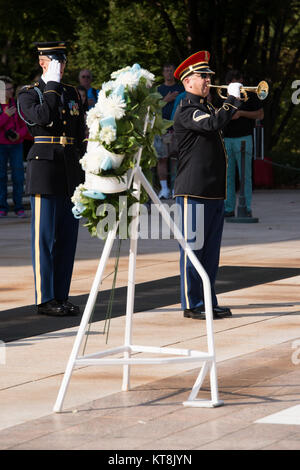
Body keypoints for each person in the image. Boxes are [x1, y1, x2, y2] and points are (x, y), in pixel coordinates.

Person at [18, 41, 86, 317]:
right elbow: (43, 117)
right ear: (42, 62)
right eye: (56, 59)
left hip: (69, 167)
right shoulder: (29, 93)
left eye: (64, 59)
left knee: (67, 238)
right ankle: (45, 298)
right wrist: (52, 85)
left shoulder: (71, 92)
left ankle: (61, 295)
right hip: (45, 168)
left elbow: (80, 129)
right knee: (44, 238)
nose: (62, 64)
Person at [173, 50, 242, 320]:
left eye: (209, 76)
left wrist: (230, 103)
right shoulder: (187, 109)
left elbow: (216, 120)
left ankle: (208, 300)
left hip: (212, 190)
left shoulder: (207, 107)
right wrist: (233, 100)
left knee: (211, 253)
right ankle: (192, 303)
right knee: (193, 249)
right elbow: (214, 124)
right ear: (188, 81)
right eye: (203, 76)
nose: (208, 81)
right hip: (193, 190)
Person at [223, 70, 264, 217]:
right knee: (227, 176)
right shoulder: (223, 94)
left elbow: (260, 114)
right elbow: (215, 111)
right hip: (227, 138)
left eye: (239, 83)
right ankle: (228, 208)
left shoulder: (250, 95)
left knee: (245, 176)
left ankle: (246, 207)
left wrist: (241, 114)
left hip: (244, 138)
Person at [0, 76, 28, 217]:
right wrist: (4, 115)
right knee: (1, 177)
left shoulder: (17, 104)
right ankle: (2, 207)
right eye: (8, 89)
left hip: (16, 145)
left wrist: (19, 135)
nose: (11, 91)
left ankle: (18, 207)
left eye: (12, 88)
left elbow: (25, 126)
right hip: (1, 146)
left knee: (18, 177)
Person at [155, 63, 184, 199]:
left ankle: (175, 189)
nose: (168, 73)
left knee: (176, 159)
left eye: (171, 70)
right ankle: (164, 189)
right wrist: (165, 100)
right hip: (161, 130)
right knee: (162, 159)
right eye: (166, 70)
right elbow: (153, 109)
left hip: (177, 130)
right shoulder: (158, 90)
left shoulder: (181, 88)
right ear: (163, 73)